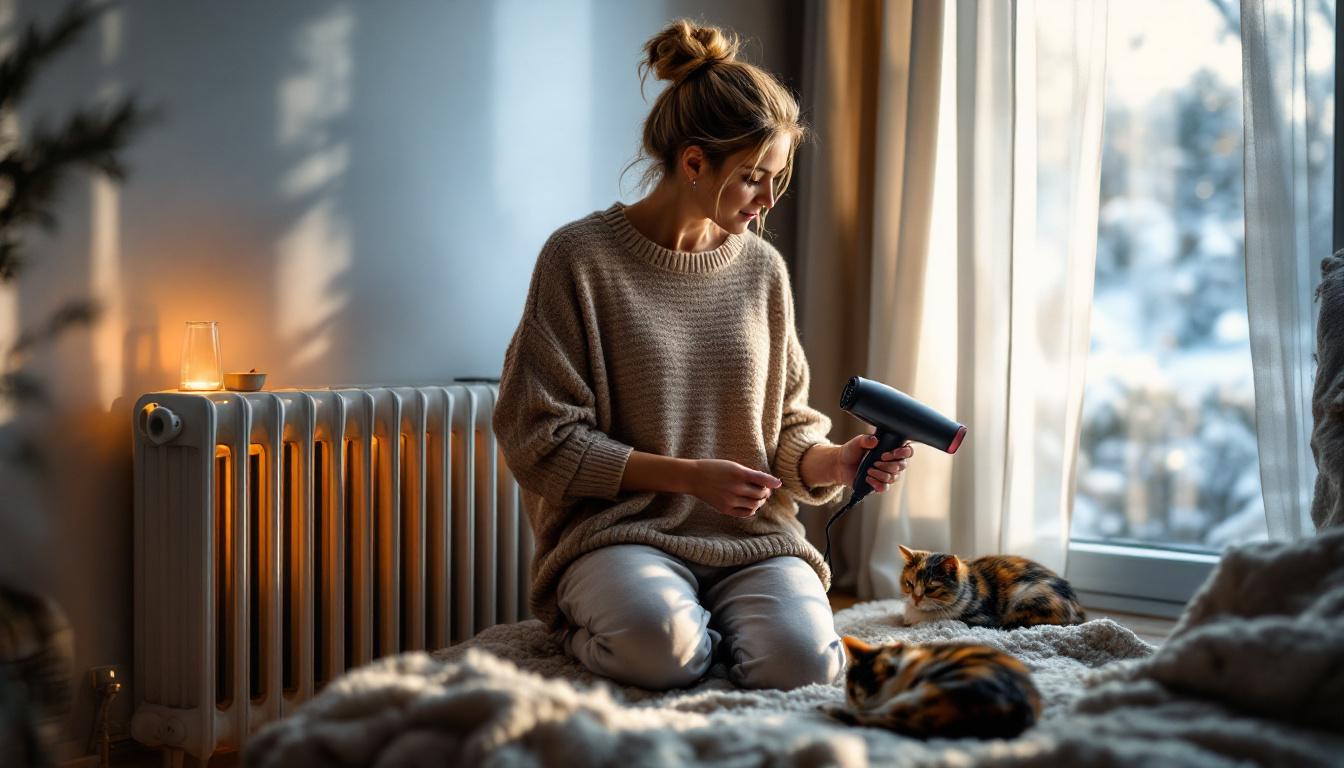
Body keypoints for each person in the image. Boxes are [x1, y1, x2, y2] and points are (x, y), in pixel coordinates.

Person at [493, 19, 912, 691]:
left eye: (777, 178)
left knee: (803, 666)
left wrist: (835, 460)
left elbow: (785, 429)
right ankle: (616, 628)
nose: (768, 200)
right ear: (694, 163)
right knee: (658, 653)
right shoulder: (579, 259)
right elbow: (537, 439)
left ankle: (715, 628)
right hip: (619, 536)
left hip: (754, 542)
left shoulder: (763, 271)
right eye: (752, 178)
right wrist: (688, 477)